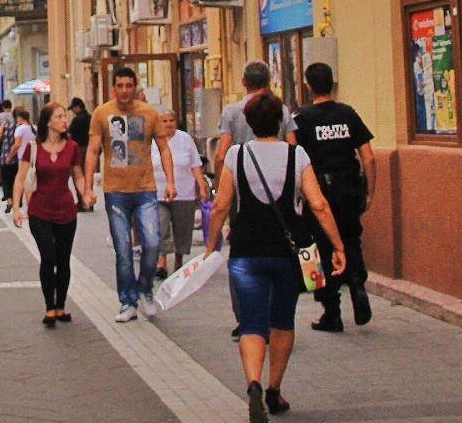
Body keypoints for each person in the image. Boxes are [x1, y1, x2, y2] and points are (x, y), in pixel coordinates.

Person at [206, 92, 347, 423]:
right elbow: (319, 204)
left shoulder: (236, 156)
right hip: (287, 254)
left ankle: (252, 383)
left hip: (246, 252)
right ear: (282, 122)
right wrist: (338, 246)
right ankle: (273, 389)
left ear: (250, 123)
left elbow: (222, 205)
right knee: (282, 321)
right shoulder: (296, 156)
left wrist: (211, 244)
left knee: (252, 323)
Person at [84, 66, 173, 323]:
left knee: (153, 242)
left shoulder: (149, 113)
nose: (124, 91)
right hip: (116, 191)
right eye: (120, 86)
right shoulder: (102, 113)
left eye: (128, 86)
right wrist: (88, 188)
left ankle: (145, 288)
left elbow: (164, 148)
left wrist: (170, 181)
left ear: (135, 87)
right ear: (114, 88)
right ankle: (127, 301)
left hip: (145, 188)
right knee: (123, 249)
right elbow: (92, 151)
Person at [293, 62, 376, 331]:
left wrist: (298, 195)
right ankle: (357, 285)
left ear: (308, 86)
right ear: (332, 83)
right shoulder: (348, 114)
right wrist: (369, 191)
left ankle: (332, 311)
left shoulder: (303, 118)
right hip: (348, 188)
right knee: (351, 239)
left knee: (322, 247)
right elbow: (369, 156)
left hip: (318, 191)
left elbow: (295, 158)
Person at [11, 103, 81, 326]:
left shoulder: (72, 147)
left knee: (63, 259)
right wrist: (16, 208)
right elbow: (20, 177)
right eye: (60, 116)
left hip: (66, 210)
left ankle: (60, 305)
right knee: (48, 256)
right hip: (40, 210)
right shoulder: (33, 148)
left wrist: (86, 191)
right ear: (48, 121)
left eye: (65, 116)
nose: (64, 120)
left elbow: (77, 175)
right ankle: (49, 307)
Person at [151, 109, 207, 278]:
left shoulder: (185, 139)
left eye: (171, 120)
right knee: (160, 226)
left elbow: (195, 164)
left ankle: (178, 260)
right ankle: (161, 262)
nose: (168, 124)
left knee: (182, 229)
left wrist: (202, 186)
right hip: (158, 192)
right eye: (164, 121)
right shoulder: (153, 141)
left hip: (184, 192)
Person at [212, 62, 273, 192]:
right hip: (276, 179)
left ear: (243, 82)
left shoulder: (231, 111)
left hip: (242, 181)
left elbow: (222, 155)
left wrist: (219, 185)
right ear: (268, 81)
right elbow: (292, 144)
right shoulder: (281, 110)